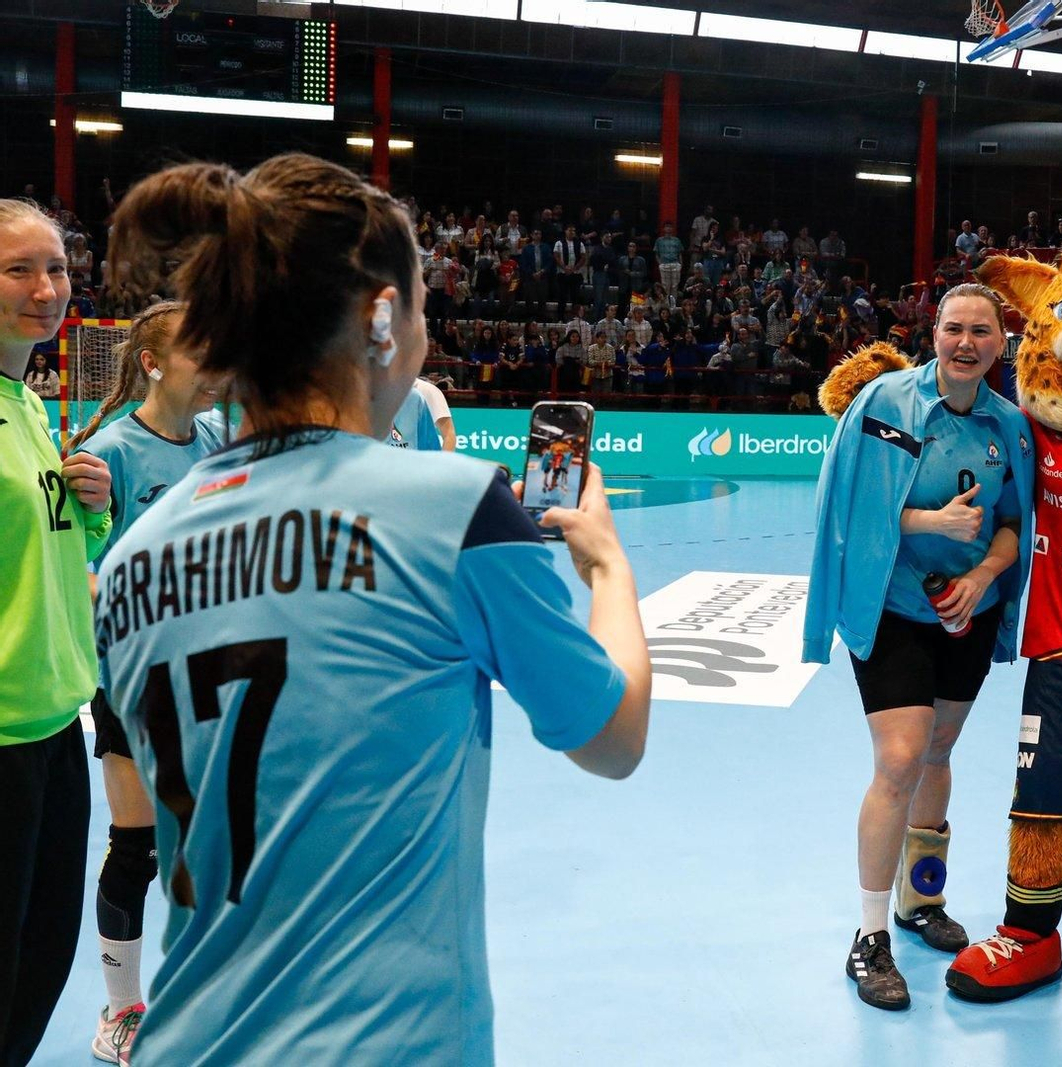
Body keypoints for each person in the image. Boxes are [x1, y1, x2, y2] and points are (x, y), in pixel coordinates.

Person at [92, 153, 651, 1063]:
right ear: (382, 318)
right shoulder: (455, 508)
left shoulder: (132, 556)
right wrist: (609, 571)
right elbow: (613, 736)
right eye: (425, 305)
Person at [803, 285, 1035, 1011]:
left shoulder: (1012, 427)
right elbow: (849, 504)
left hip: (965, 613)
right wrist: (929, 519)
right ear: (931, 334)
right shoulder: (882, 403)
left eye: (981, 332)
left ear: (1002, 343)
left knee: (937, 753)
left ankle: (920, 900)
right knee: (900, 758)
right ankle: (871, 934)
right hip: (895, 604)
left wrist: (987, 576)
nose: (966, 343)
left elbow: (1010, 524)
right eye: (953, 329)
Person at [63, 301, 228, 1065]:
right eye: (204, 354)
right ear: (156, 365)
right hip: (133, 674)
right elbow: (79, 567)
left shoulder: (223, 438)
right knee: (137, 847)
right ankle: (121, 1009)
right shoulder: (112, 453)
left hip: (217, 672)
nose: (219, 369)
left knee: (216, 844)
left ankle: (209, 995)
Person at [0, 197, 114, 1067]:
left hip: (53, 727)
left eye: (59, 269)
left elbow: (46, 557)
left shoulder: (29, 407)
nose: (47, 289)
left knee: (35, 972)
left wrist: (95, 517)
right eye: (19, 269)